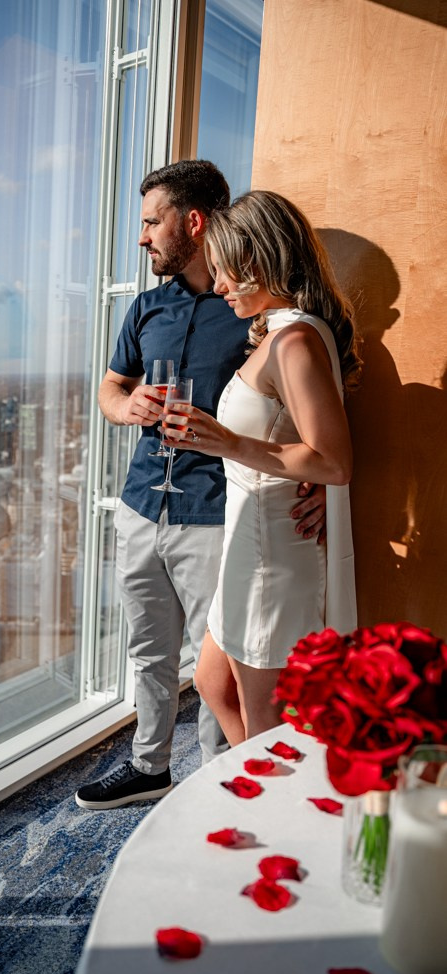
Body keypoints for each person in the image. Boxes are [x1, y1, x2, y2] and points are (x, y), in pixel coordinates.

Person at [75, 164, 326, 810]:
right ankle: (148, 765)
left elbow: (309, 420)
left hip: (219, 514)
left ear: (192, 222)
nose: (142, 238)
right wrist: (126, 406)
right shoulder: (145, 307)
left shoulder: (254, 312)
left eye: (150, 221)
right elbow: (109, 388)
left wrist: (323, 485)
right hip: (140, 504)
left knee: (219, 665)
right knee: (148, 649)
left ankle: (222, 778)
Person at [164, 190, 361, 745]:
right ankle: (239, 795)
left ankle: (264, 820)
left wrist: (225, 442)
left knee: (267, 735)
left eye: (224, 270)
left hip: (273, 558)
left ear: (257, 259)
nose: (219, 285)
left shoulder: (294, 339)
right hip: (246, 546)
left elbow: (334, 461)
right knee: (211, 683)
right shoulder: (281, 334)